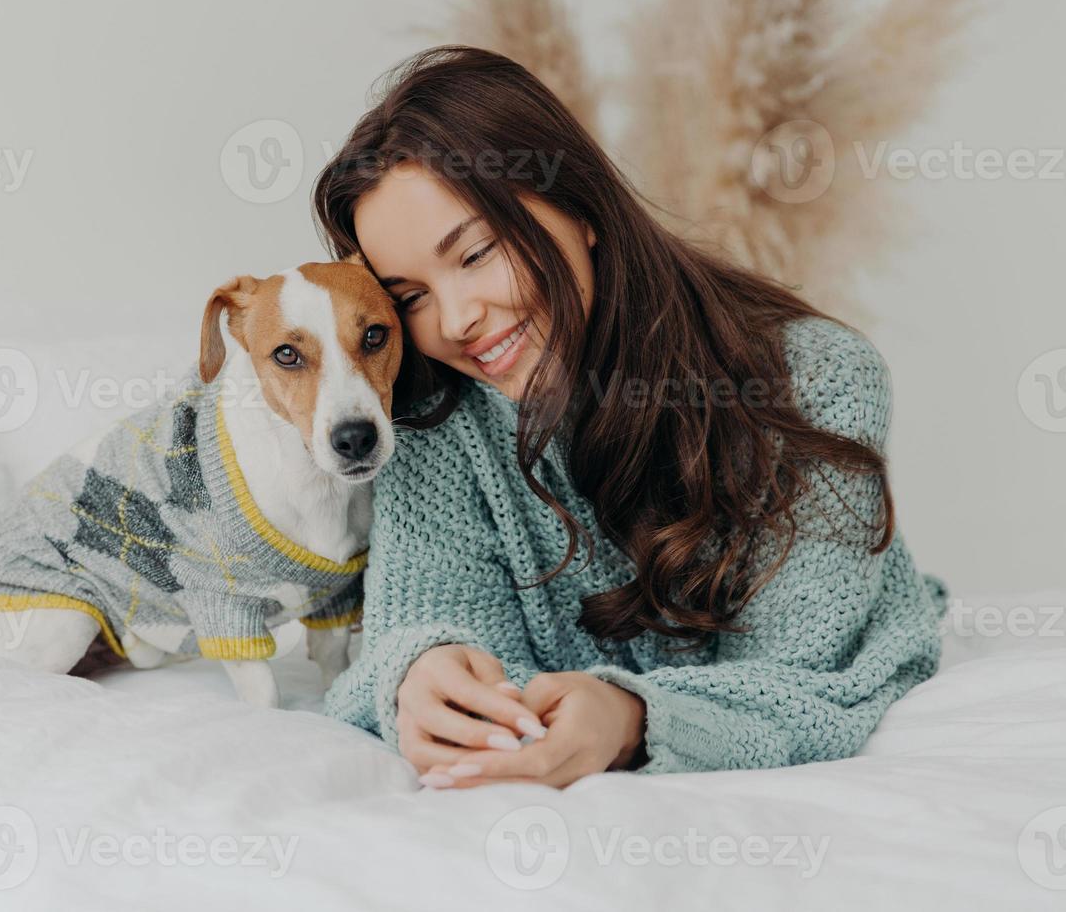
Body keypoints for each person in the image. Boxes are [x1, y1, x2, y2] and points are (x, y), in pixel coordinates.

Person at [311, 45, 948, 790]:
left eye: (477, 252)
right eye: (410, 296)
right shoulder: (432, 416)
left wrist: (633, 718)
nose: (456, 320)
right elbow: (416, 626)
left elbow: (798, 672)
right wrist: (420, 672)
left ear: (579, 205)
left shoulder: (816, 381)